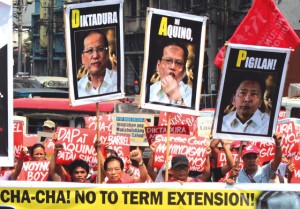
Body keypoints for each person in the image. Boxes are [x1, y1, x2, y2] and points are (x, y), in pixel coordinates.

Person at [149, 41, 192, 107]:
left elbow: (188, 117)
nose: (173, 67)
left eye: (179, 63)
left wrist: (176, 95)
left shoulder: (189, 93)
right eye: (168, 60)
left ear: (184, 71)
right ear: (158, 66)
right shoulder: (149, 92)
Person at [77, 30, 117, 97]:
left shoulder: (118, 81)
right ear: (83, 58)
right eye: (90, 51)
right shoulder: (78, 88)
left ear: (107, 54)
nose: (95, 56)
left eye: (100, 49)